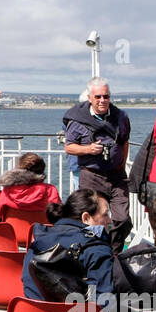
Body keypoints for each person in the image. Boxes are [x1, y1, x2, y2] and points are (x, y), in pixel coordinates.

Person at [63, 76, 132, 253]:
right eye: (98, 97)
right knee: (90, 219)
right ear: (89, 98)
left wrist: (122, 165)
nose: (102, 101)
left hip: (116, 175)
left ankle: (113, 251)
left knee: (122, 219)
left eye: (106, 96)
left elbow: (124, 143)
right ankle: (93, 252)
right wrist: (88, 149)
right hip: (91, 175)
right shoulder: (77, 120)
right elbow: (69, 147)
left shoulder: (120, 117)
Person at [21, 189, 115, 301]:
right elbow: (104, 301)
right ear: (86, 218)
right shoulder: (97, 249)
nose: (109, 220)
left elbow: (28, 287)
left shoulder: (38, 242)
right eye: (105, 214)